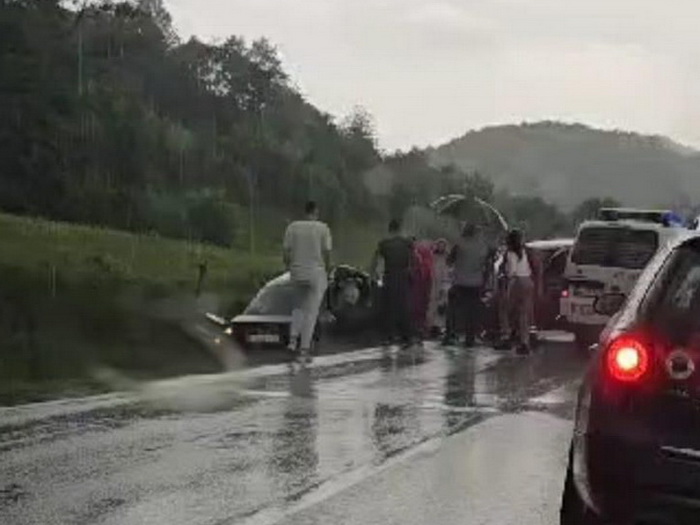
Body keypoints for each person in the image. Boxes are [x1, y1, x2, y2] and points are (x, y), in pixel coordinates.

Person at [283, 201, 332, 355]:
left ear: (304, 212)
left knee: (297, 308)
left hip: (297, 272)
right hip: (315, 273)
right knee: (311, 311)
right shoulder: (322, 228)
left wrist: (289, 266)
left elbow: (286, 252)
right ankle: (304, 347)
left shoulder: (293, 227)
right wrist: (329, 269)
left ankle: (292, 341)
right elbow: (327, 252)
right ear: (316, 212)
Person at [443, 223, 490, 347]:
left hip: (460, 282)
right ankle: (470, 338)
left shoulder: (459, 245)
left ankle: (449, 334)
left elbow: (449, 261)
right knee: (472, 310)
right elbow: (485, 264)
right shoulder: (482, 247)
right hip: (476, 283)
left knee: (452, 308)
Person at [370, 219, 414, 346]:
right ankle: (407, 335)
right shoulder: (407, 242)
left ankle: (388, 336)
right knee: (404, 305)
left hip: (389, 275)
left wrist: (373, 275)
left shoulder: (384, 243)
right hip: (403, 275)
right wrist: (411, 272)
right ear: (399, 229)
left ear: (389, 229)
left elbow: (375, 260)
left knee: (389, 306)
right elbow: (413, 259)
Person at [501, 229, 535, 355]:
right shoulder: (524, 251)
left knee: (508, 310)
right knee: (524, 313)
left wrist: (507, 279)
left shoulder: (511, 253)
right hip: (528, 281)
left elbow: (512, 272)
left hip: (517, 282)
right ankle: (525, 342)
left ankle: (508, 336)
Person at [427, 239, 450, 337]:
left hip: (443, 282)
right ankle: (431, 326)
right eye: (439, 245)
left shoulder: (447, 257)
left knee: (442, 304)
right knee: (432, 304)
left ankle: (439, 326)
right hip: (434, 282)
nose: (441, 247)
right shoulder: (432, 256)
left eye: (443, 246)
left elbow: (448, 270)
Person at [411, 240, 434, 339]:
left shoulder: (417, 262)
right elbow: (430, 278)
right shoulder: (428, 263)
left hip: (416, 292)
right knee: (422, 310)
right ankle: (421, 329)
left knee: (417, 310)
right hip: (422, 291)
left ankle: (417, 329)